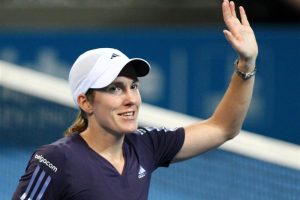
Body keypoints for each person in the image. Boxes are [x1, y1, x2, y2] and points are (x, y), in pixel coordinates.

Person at [12, 0, 258, 199]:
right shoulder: (55, 160)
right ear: (86, 102)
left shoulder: (147, 145)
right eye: (115, 89)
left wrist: (247, 63)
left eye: (133, 86)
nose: (131, 98)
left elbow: (223, 127)